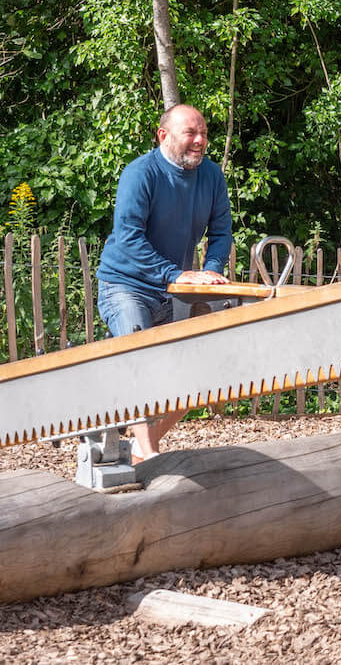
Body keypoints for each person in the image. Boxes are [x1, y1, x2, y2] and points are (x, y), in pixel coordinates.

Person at [96, 104, 232, 461]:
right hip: (126, 285)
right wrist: (175, 273)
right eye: (191, 133)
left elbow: (221, 233)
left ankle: (144, 445)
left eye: (203, 133)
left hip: (175, 290)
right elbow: (128, 238)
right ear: (163, 136)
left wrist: (213, 269)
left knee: (207, 371)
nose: (200, 140)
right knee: (138, 355)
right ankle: (152, 454)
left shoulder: (212, 176)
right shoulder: (140, 174)